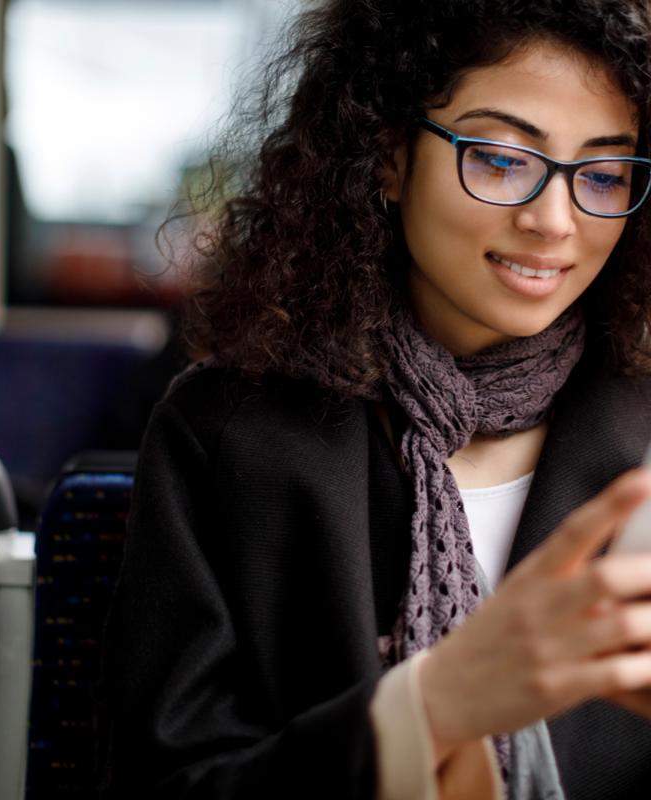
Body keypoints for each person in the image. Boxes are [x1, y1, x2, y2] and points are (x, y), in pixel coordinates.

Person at [97, 1, 651, 798]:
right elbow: (166, 783)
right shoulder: (227, 435)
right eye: (500, 159)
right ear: (388, 156)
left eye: (603, 175)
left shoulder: (643, 438)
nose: (554, 221)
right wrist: (428, 710)